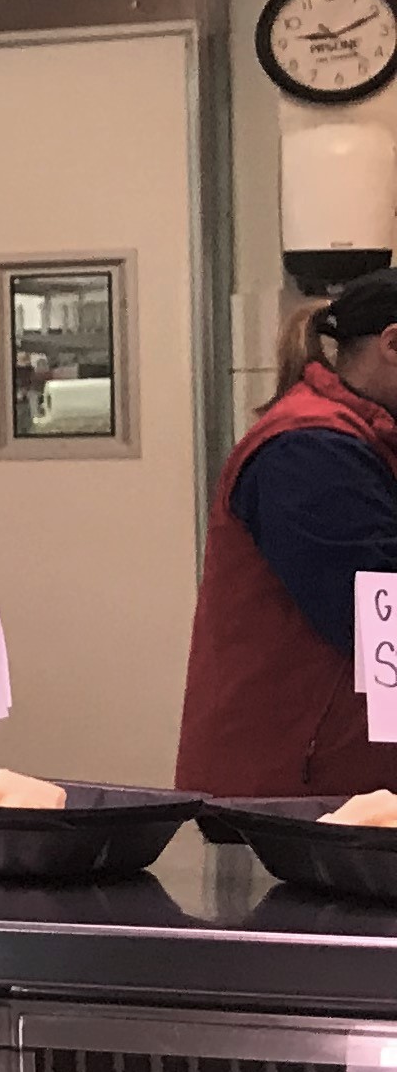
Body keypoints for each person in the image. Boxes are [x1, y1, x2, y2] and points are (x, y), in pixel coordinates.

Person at [175, 270, 397, 797]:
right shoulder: (308, 453)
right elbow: (376, 616)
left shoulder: (364, 441)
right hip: (293, 797)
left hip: (337, 787)